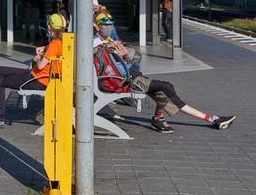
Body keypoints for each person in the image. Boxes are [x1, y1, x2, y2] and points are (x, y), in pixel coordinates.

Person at [93, 13, 235, 133]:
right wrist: (104, 47)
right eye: (105, 25)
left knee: (164, 93)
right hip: (126, 80)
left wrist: (125, 53)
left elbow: (135, 58)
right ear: (96, 26)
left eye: (111, 24)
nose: (109, 27)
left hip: (130, 76)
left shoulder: (110, 40)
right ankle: (210, 118)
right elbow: (94, 53)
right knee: (166, 87)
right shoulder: (95, 42)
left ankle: (208, 118)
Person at [0, 13, 68, 128]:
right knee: (0, 72)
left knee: (0, 78)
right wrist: (43, 48)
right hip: (40, 78)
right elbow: (52, 51)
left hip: (37, 80)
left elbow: (40, 66)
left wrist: (37, 59)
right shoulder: (62, 42)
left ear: (49, 27)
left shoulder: (54, 44)